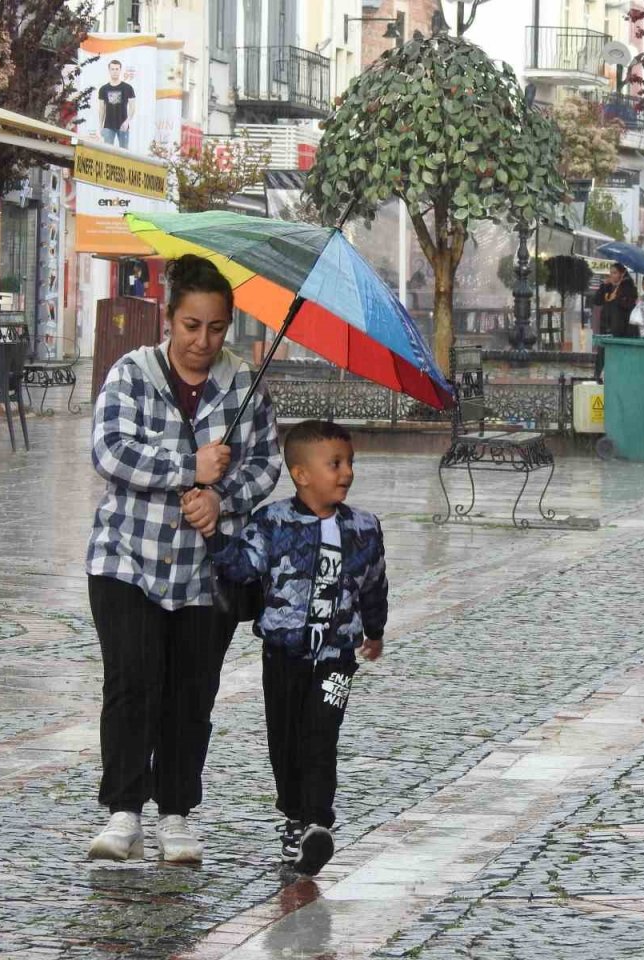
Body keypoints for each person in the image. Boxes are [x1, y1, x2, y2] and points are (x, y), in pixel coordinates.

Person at [85, 255, 282, 863]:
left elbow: (266, 463)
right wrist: (186, 471)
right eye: (191, 325)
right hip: (126, 559)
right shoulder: (131, 374)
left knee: (191, 692)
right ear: (169, 319)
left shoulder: (244, 385)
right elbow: (110, 451)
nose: (202, 340)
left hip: (206, 570)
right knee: (131, 680)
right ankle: (123, 811)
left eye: (217, 327)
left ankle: (176, 812)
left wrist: (221, 498)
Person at [215, 420, 388, 877]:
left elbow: (374, 583)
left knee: (320, 734)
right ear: (301, 474)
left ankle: (317, 823)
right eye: (335, 464)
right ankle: (293, 815)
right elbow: (240, 567)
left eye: (350, 462)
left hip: (336, 658)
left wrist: (375, 630)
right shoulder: (273, 522)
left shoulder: (365, 527)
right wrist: (212, 531)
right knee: (286, 740)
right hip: (283, 655)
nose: (346, 472)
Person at [592, 262, 639, 379]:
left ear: (622, 274)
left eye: (615, 273)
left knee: (617, 355)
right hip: (606, 327)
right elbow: (597, 300)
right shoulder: (608, 287)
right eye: (611, 273)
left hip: (621, 330)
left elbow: (627, 305)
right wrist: (603, 286)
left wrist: (617, 296)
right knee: (602, 353)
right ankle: (598, 378)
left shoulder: (628, 287)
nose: (612, 276)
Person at [98, 59, 137, 150]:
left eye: (117, 69)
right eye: (112, 69)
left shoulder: (128, 88)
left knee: (124, 152)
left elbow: (132, 107)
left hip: (123, 125)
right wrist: (100, 125)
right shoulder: (103, 89)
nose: (115, 71)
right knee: (107, 152)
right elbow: (101, 109)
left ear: (120, 70)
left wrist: (127, 121)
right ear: (109, 70)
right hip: (108, 126)